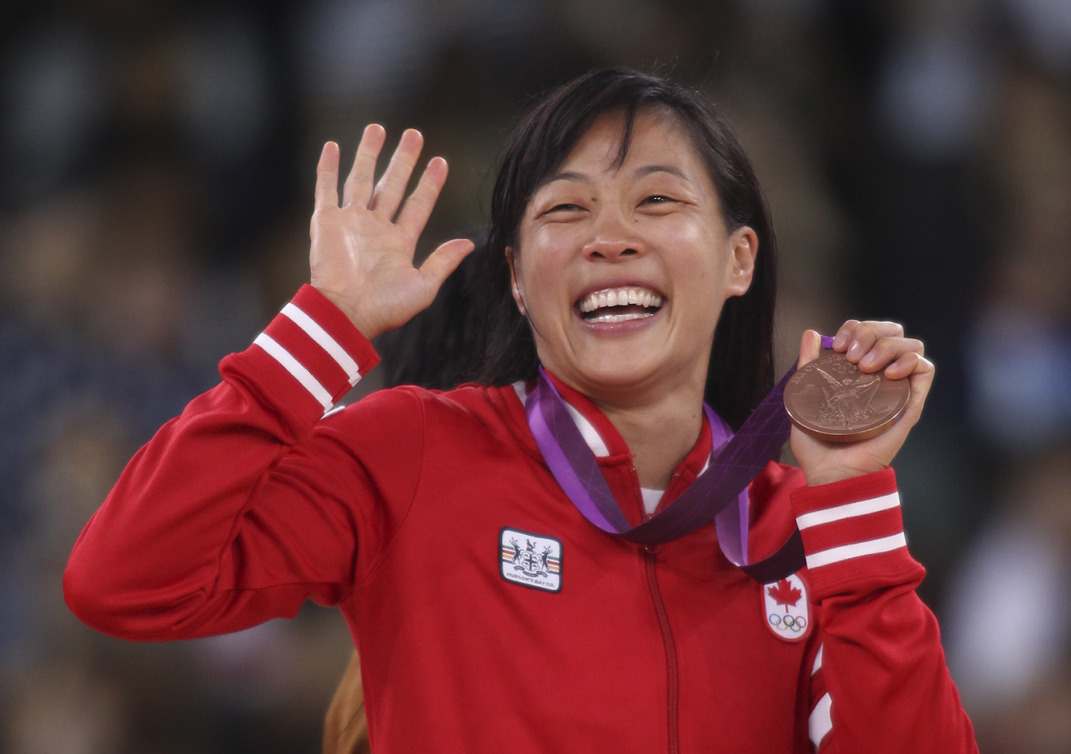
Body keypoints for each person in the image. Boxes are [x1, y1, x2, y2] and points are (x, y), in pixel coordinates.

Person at [64, 68, 977, 752]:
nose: (610, 237)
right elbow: (125, 581)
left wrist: (850, 495)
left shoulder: (798, 531)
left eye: (656, 200)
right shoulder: (412, 453)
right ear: (514, 277)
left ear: (739, 260)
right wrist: (322, 331)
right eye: (565, 211)